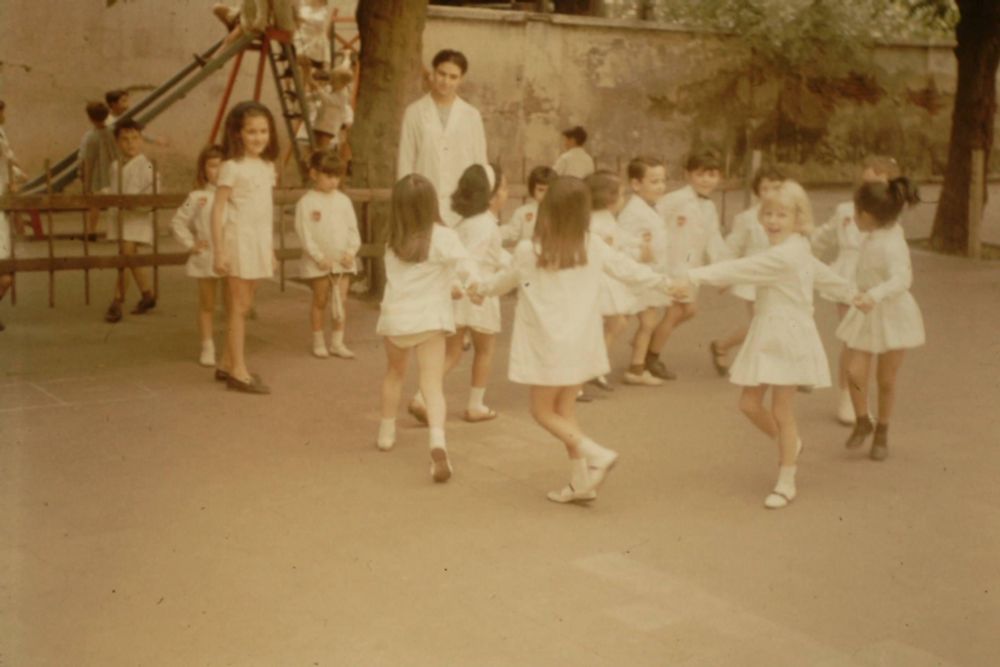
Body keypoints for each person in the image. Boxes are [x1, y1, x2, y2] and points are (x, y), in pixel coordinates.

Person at [472, 177, 673, 504]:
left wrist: (477, 290)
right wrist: (666, 283)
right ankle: (580, 482)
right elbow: (629, 270)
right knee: (564, 410)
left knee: (542, 412)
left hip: (548, 346)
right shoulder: (591, 244)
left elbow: (500, 282)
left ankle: (597, 454)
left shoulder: (529, 250)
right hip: (583, 343)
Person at [673, 181, 854, 509]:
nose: (772, 221)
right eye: (768, 213)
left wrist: (697, 275)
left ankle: (786, 480)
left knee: (782, 409)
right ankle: (791, 446)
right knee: (749, 404)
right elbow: (817, 272)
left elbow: (747, 268)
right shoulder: (793, 248)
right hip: (768, 329)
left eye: (781, 215)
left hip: (788, 334)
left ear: (798, 218)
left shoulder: (787, 254)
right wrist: (852, 292)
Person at [375, 174, 480, 484]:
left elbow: (411, 280)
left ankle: (386, 431)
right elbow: (463, 264)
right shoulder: (444, 237)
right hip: (429, 321)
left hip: (397, 319)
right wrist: (469, 284)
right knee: (431, 383)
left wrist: (451, 285)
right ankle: (437, 442)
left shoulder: (392, 241)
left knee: (394, 374)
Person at [410, 163, 509, 424]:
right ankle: (475, 405)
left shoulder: (467, 222)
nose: (506, 193)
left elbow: (492, 255)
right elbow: (471, 260)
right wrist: (477, 287)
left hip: (459, 295)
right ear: (492, 195)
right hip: (478, 294)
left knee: (452, 353)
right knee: (485, 350)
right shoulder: (485, 225)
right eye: (504, 187)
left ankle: (422, 396)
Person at [836, 178, 924, 461]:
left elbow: (902, 278)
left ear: (871, 216)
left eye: (858, 211)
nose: (854, 216)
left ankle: (882, 430)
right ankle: (863, 419)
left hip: (893, 315)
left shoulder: (892, 243)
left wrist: (874, 294)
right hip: (867, 313)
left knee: (886, 379)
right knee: (854, 372)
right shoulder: (873, 233)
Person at [813, 155, 900, 425]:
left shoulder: (890, 220)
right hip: (848, 279)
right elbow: (822, 237)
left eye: (881, 181)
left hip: (876, 283)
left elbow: (895, 256)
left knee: (871, 344)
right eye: (869, 178)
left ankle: (860, 398)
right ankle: (847, 398)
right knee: (852, 341)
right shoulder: (844, 210)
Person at [211, 101, 281, 394]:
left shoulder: (267, 166)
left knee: (246, 304)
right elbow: (218, 210)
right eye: (251, 132)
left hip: (258, 241)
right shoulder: (231, 167)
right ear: (238, 134)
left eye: (263, 131)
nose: (258, 138)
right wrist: (219, 250)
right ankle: (239, 371)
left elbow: (265, 211)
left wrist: (271, 248)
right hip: (238, 241)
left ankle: (227, 362)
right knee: (238, 306)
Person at [647, 149, 728, 380]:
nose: (706, 180)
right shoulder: (675, 199)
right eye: (700, 174)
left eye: (712, 175)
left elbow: (714, 239)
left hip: (692, 268)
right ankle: (651, 357)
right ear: (688, 175)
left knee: (689, 311)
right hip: (672, 264)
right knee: (676, 312)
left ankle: (645, 344)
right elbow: (653, 220)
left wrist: (722, 272)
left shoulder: (709, 207)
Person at [708, 164, 785, 375]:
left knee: (773, 322)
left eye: (776, 188)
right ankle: (759, 366)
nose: (771, 193)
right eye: (766, 188)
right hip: (754, 278)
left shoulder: (788, 214)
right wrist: (723, 275)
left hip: (779, 277)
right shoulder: (747, 218)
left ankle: (722, 345)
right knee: (762, 322)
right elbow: (732, 247)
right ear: (757, 191)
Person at [397, 49, 488, 227]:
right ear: (433, 73)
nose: (446, 81)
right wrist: (408, 201)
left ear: (461, 79)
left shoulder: (471, 115)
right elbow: (405, 162)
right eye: (442, 74)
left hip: (461, 206)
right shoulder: (414, 112)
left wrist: (477, 204)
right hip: (424, 202)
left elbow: (480, 164)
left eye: (453, 77)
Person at [294, 149, 360, 359]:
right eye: (328, 176)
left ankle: (337, 343)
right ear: (314, 174)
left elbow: (353, 230)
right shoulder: (306, 202)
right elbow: (305, 234)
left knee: (340, 299)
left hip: (342, 261)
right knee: (320, 300)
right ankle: (318, 341)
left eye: (337, 176)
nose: (333, 181)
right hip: (319, 263)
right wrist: (319, 257)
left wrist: (351, 252)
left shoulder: (343, 201)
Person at [171, 145, 227, 367]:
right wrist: (190, 243)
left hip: (232, 254)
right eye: (213, 166)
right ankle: (207, 345)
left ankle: (232, 347)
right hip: (207, 256)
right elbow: (177, 221)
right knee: (207, 303)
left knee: (233, 304)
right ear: (204, 170)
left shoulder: (236, 195)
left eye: (223, 165)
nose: (219, 170)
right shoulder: (197, 197)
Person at [616, 156, 669, 387]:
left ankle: (636, 368)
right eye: (654, 181)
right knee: (617, 322)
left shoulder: (653, 207)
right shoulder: (632, 212)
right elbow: (622, 244)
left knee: (648, 322)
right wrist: (640, 251)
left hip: (650, 275)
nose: (660, 186)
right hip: (634, 276)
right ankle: (587, 367)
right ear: (636, 185)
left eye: (662, 181)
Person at [103, 120, 160, 323]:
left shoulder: (146, 166)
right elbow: (114, 189)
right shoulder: (115, 165)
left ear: (141, 140)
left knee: (126, 256)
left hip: (137, 217)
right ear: (117, 142)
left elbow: (153, 194)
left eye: (135, 138)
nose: (130, 144)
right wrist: (105, 195)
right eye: (125, 139)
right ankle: (147, 294)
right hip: (120, 217)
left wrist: (135, 204)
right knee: (129, 257)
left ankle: (117, 301)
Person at [585, 170, 633, 390]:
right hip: (599, 281)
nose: (623, 199)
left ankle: (596, 367)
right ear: (608, 197)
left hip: (607, 278)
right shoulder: (597, 221)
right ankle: (585, 374)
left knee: (617, 322)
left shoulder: (605, 218)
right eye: (621, 194)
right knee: (602, 326)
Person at [79, 102, 118, 235]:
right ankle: (117, 230)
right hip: (113, 171)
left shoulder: (90, 137)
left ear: (90, 118)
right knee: (116, 202)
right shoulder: (113, 132)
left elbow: (87, 160)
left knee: (94, 205)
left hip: (97, 175)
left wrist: (86, 182)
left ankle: (91, 231)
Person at [500, 165, 554, 245]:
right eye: (541, 190)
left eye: (549, 190)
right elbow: (511, 233)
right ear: (532, 189)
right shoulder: (522, 212)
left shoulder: (559, 212)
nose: (545, 195)